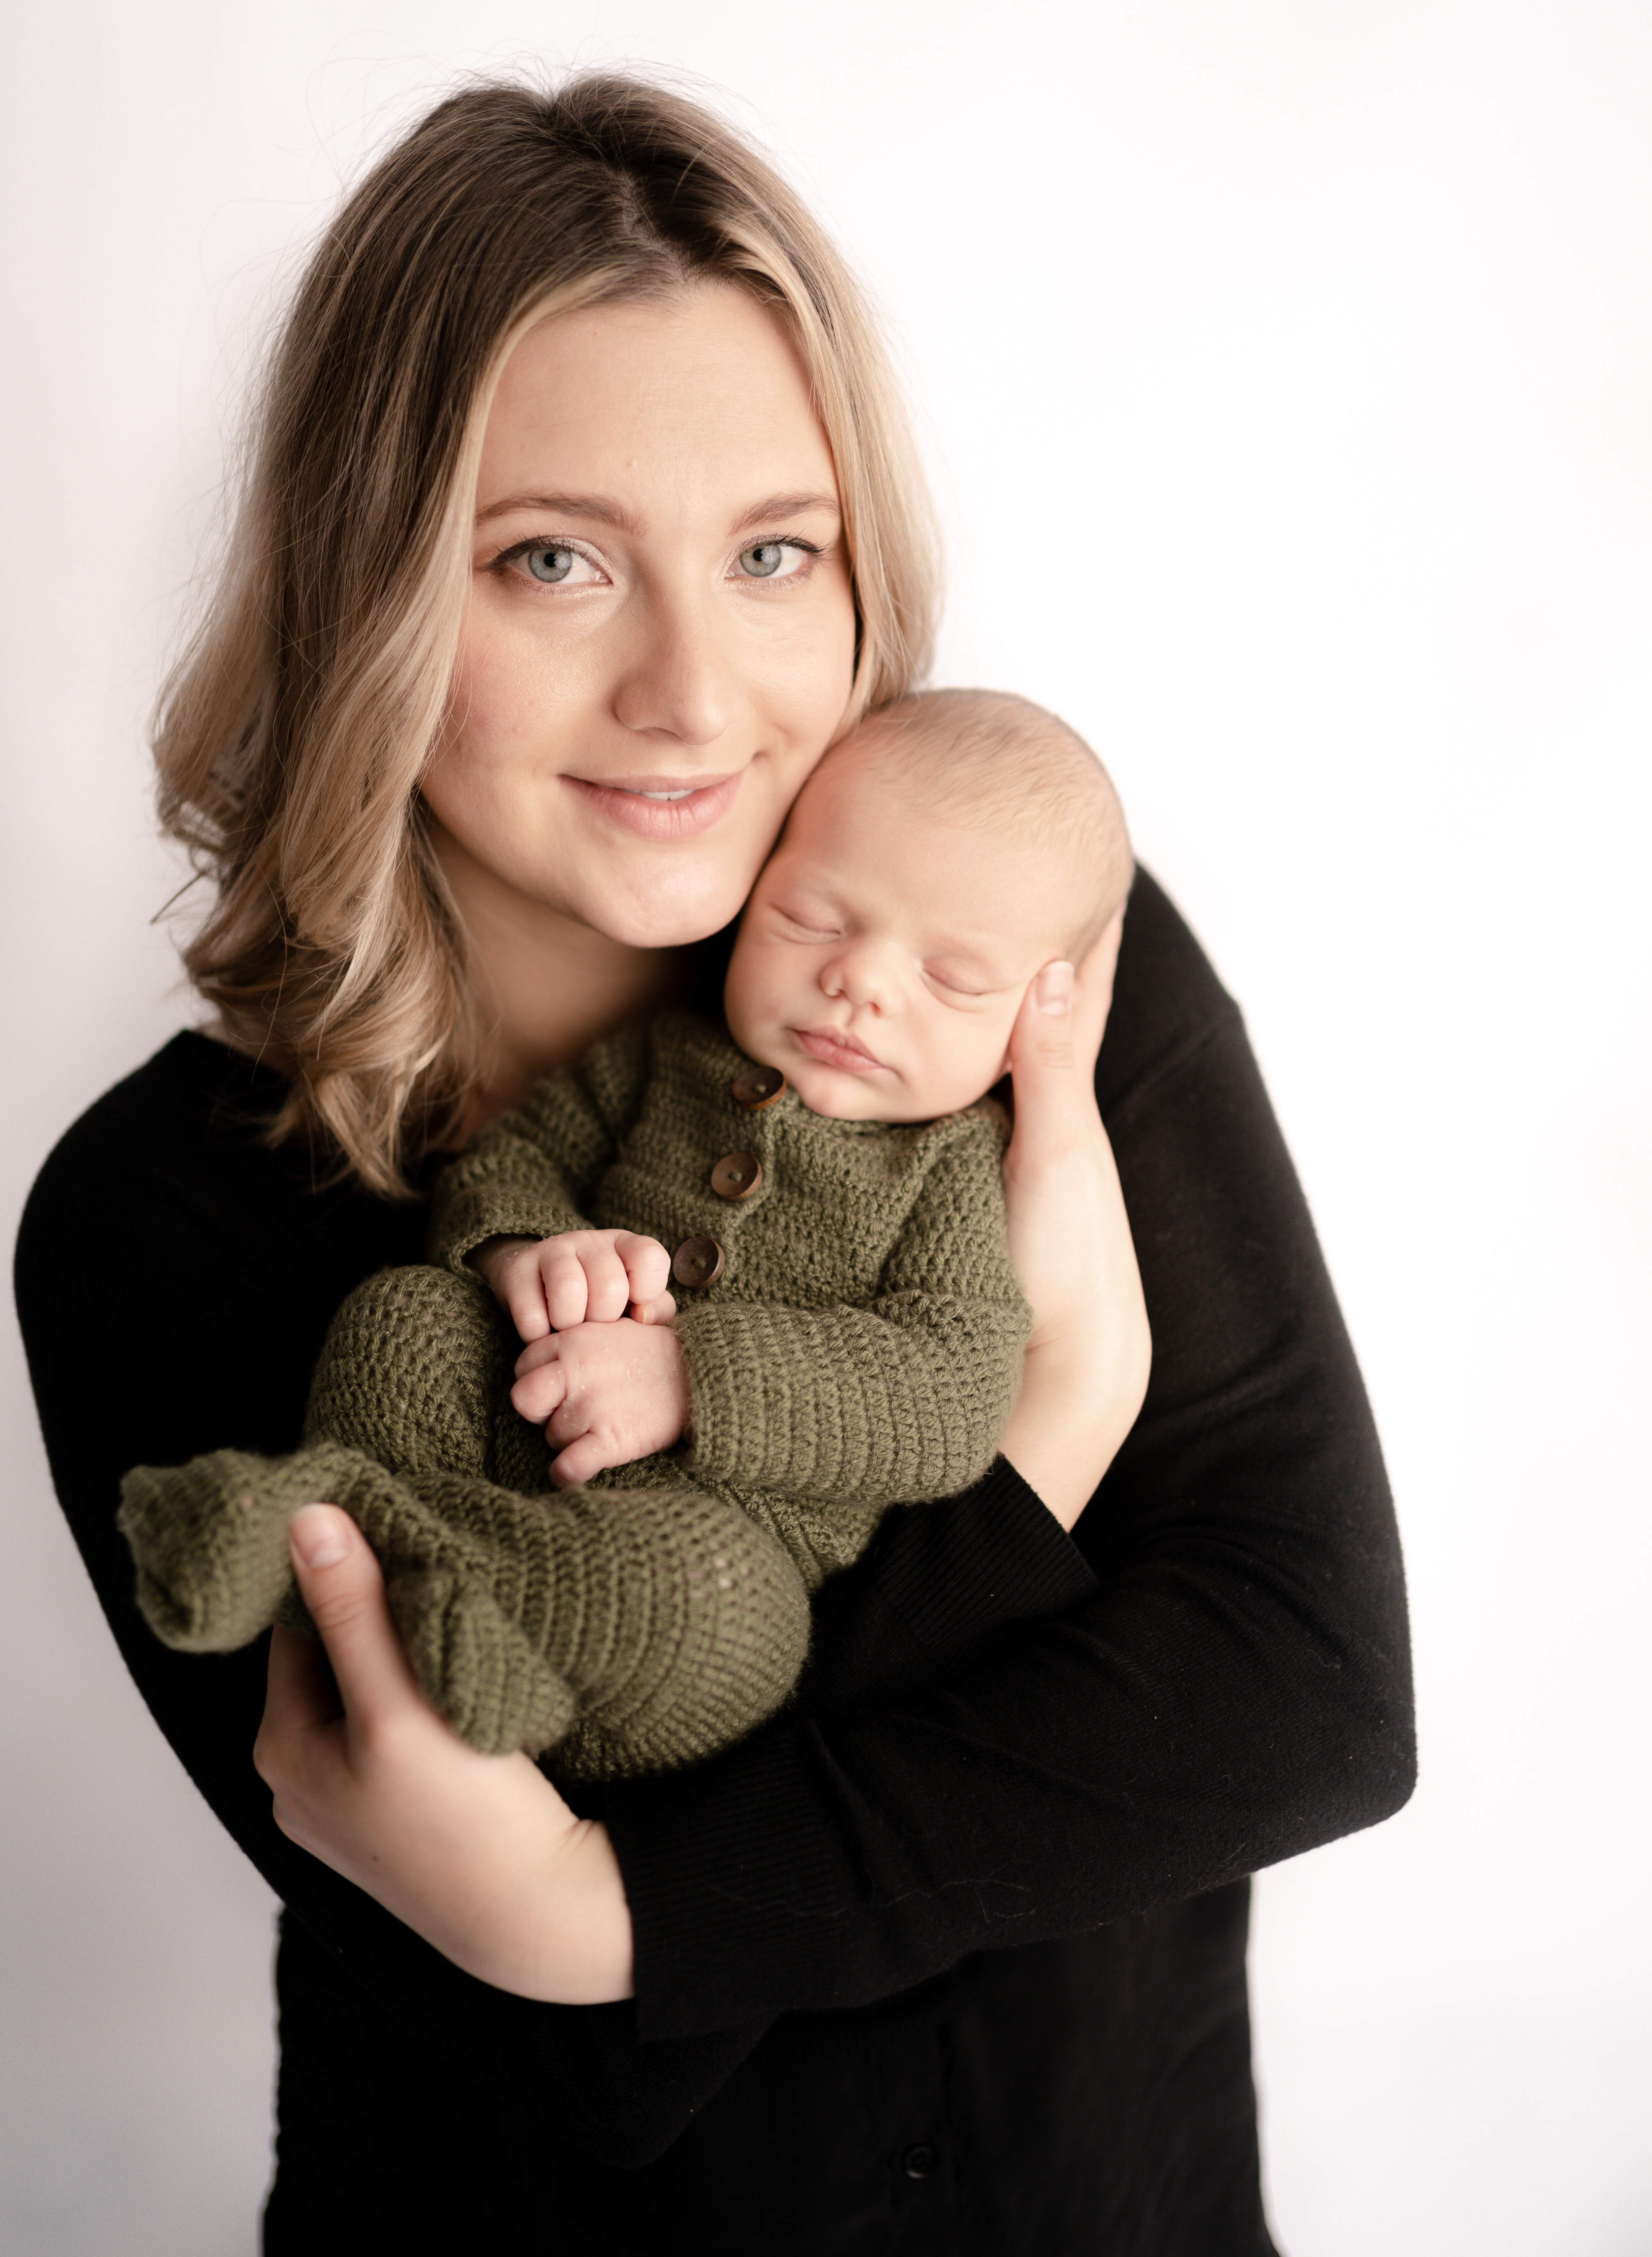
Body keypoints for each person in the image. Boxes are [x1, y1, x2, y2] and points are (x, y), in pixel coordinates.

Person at [14, 75, 1414, 2252]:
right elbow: (555, 2055)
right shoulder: (161, 1218)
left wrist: (600, 1906)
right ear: (375, 589)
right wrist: (1034, 1446)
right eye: (553, 559)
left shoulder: (1021, 977)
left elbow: (1309, 1699)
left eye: (775, 554)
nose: (693, 692)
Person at [115, 690, 1134, 1780]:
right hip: (514, 1422)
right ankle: (446, 1610)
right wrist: (527, 1249)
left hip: (702, 1554)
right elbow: (514, 1162)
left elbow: (948, 1396)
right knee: (407, 1315)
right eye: (814, 918)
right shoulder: (663, 1058)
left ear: (1038, 1018)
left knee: (734, 1616)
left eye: (951, 979)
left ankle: (336, 1546)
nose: (860, 983)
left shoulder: (946, 1171)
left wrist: (692, 1378)